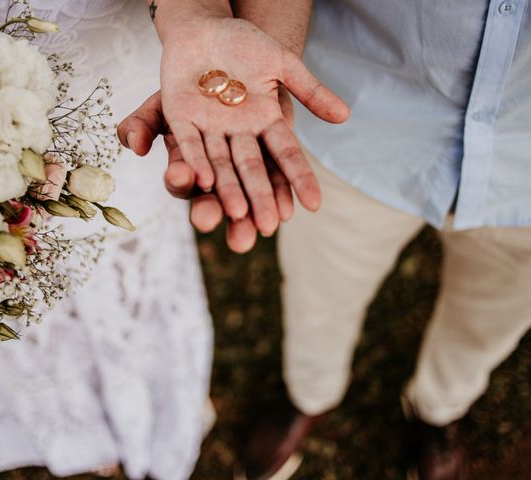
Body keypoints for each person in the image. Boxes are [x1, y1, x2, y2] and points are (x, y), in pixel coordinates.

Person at [119, 1, 531, 479]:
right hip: (359, 118)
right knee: (321, 292)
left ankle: (439, 408)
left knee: (492, 318)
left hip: (522, 178)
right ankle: (309, 394)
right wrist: (201, 20)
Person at [0, 2, 213, 480]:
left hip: (110, 87)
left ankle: (149, 399)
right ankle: (73, 421)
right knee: (5, 274)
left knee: (129, 250)